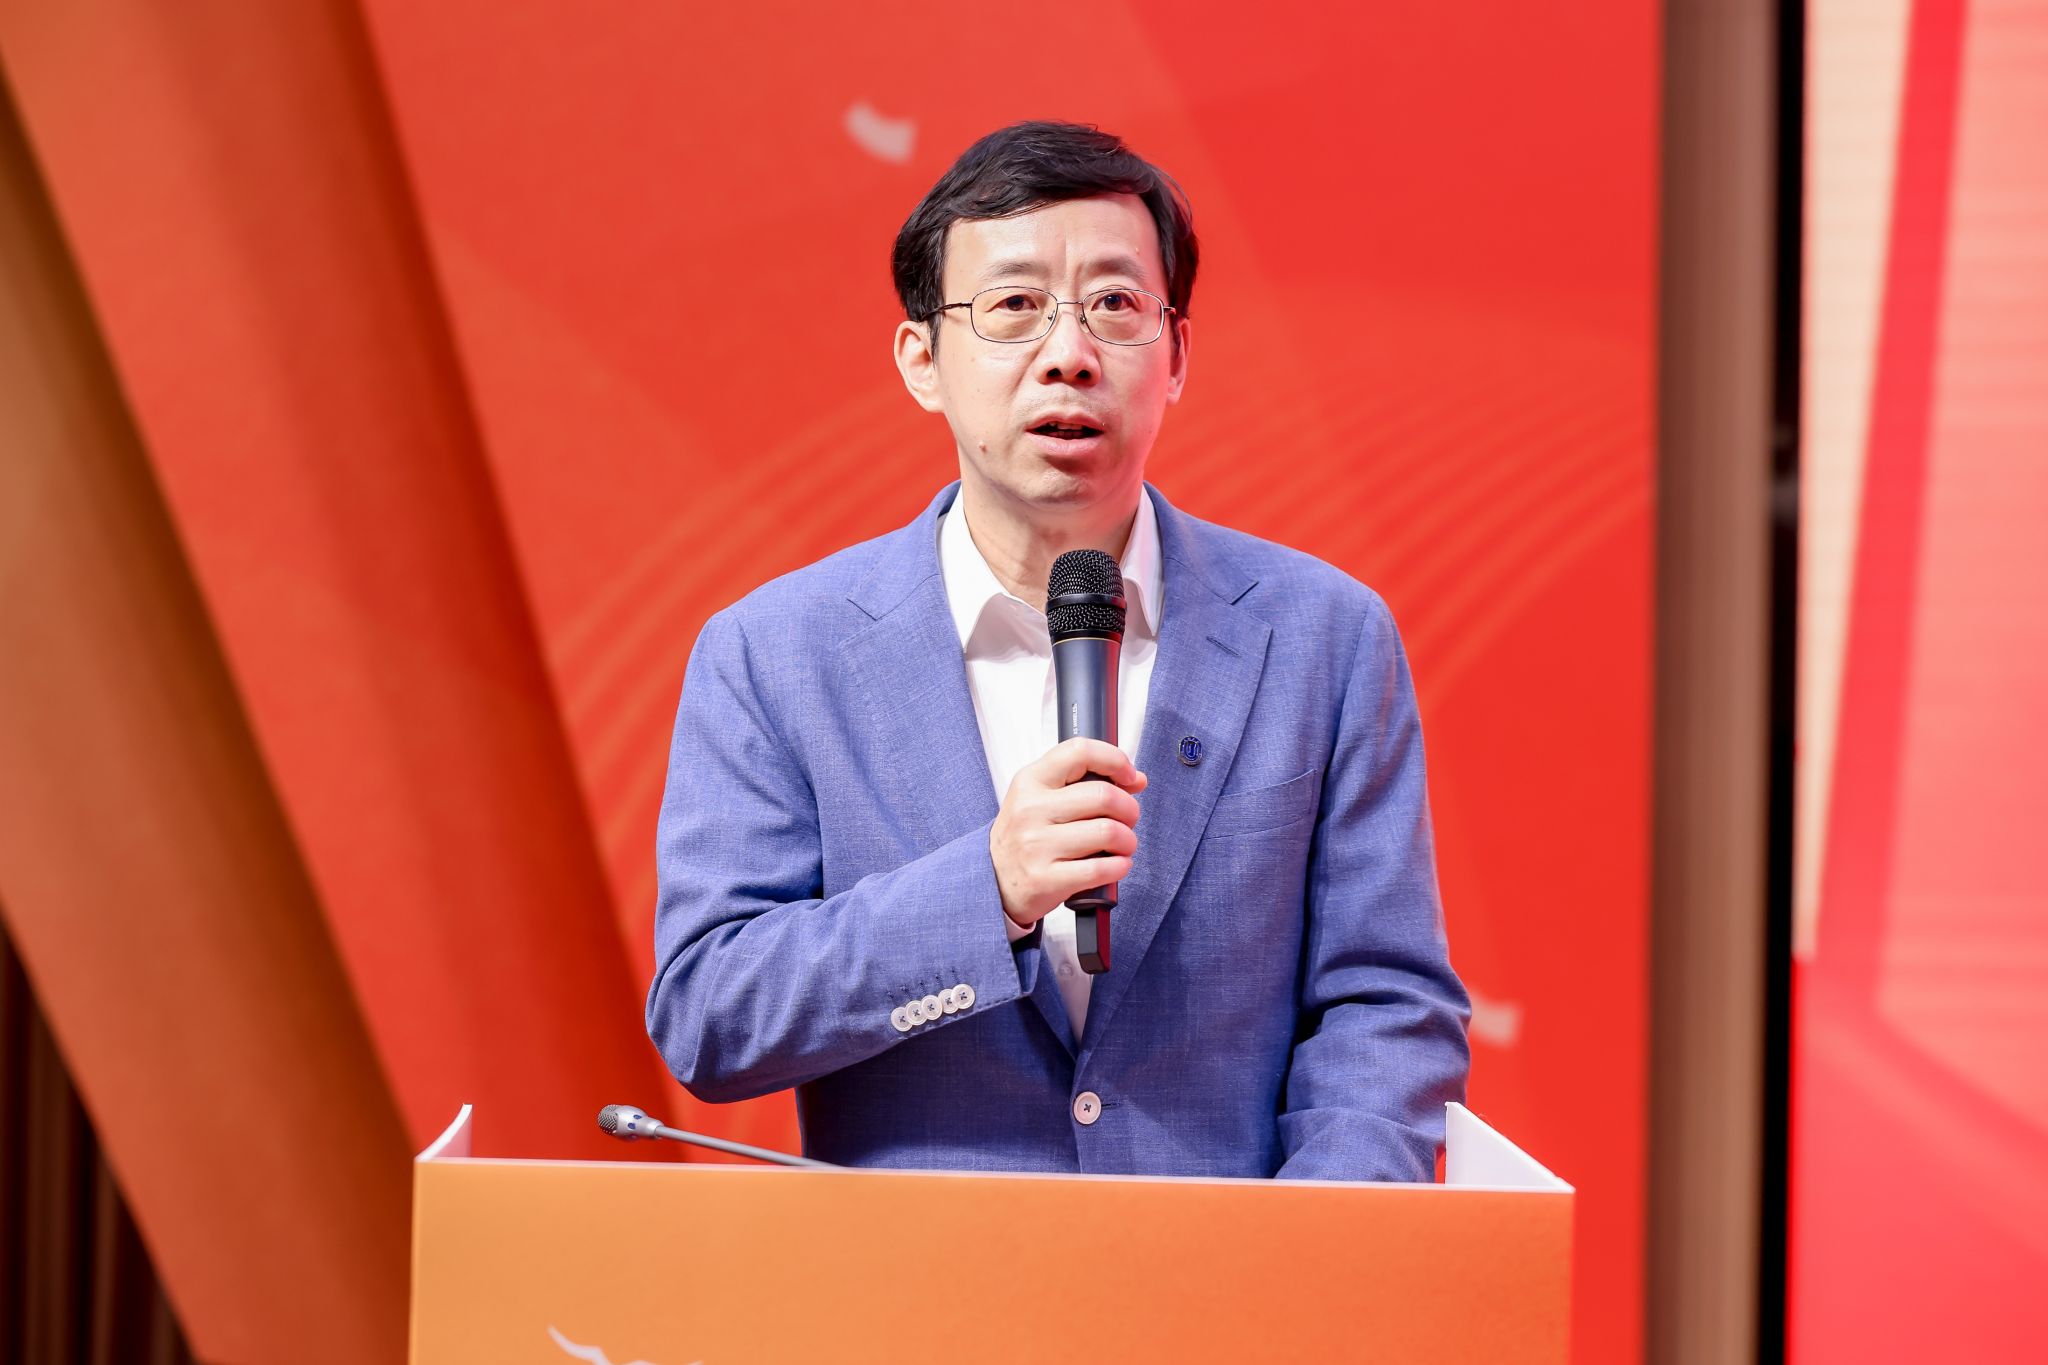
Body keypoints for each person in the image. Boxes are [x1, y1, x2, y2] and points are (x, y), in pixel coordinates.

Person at [646, 120, 1469, 1179]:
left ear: (1176, 356)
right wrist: (984, 890)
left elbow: (1386, 1007)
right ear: (922, 361)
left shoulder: (1323, 638)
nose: (1068, 354)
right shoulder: (772, 657)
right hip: (922, 1276)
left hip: (1235, 1274)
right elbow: (710, 1015)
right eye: (1014, 307)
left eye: (1115, 305)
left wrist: (1308, 1247)